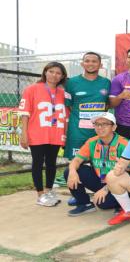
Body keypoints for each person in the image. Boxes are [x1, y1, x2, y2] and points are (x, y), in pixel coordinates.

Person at [18, 62, 68, 206]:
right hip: (37, 133)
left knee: (52, 163)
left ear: (62, 76)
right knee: (38, 163)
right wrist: (24, 134)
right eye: (51, 71)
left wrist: (64, 134)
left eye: (58, 73)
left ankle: (49, 190)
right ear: (45, 72)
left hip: (55, 133)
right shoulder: (32, 89)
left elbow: (66, 115)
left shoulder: (63, 93)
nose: (54, 75)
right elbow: (25, 114)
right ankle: (40, 195)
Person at [64, 112, 130, 216]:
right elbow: (76, 160)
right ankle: (84, 204)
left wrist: (106, 189)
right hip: (101, 181)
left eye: (105, 124)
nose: (100, 127)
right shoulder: (92, 142)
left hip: (119, 184)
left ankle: (122, 203)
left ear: (113, 127)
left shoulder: (124, 144)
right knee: (69, 171)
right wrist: (72, 172)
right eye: (97, 124)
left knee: (103, 203)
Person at [64, 52, 111, 160]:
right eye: (87, 61)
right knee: (76, 164)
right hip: (78, 131)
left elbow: (107, 104)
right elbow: (69, 106)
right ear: (82, 64)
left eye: (94, 61)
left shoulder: (106, 82)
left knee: (99, 163)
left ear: (100, 65)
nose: (90, 64)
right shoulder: (71, 82)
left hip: (100, 130)